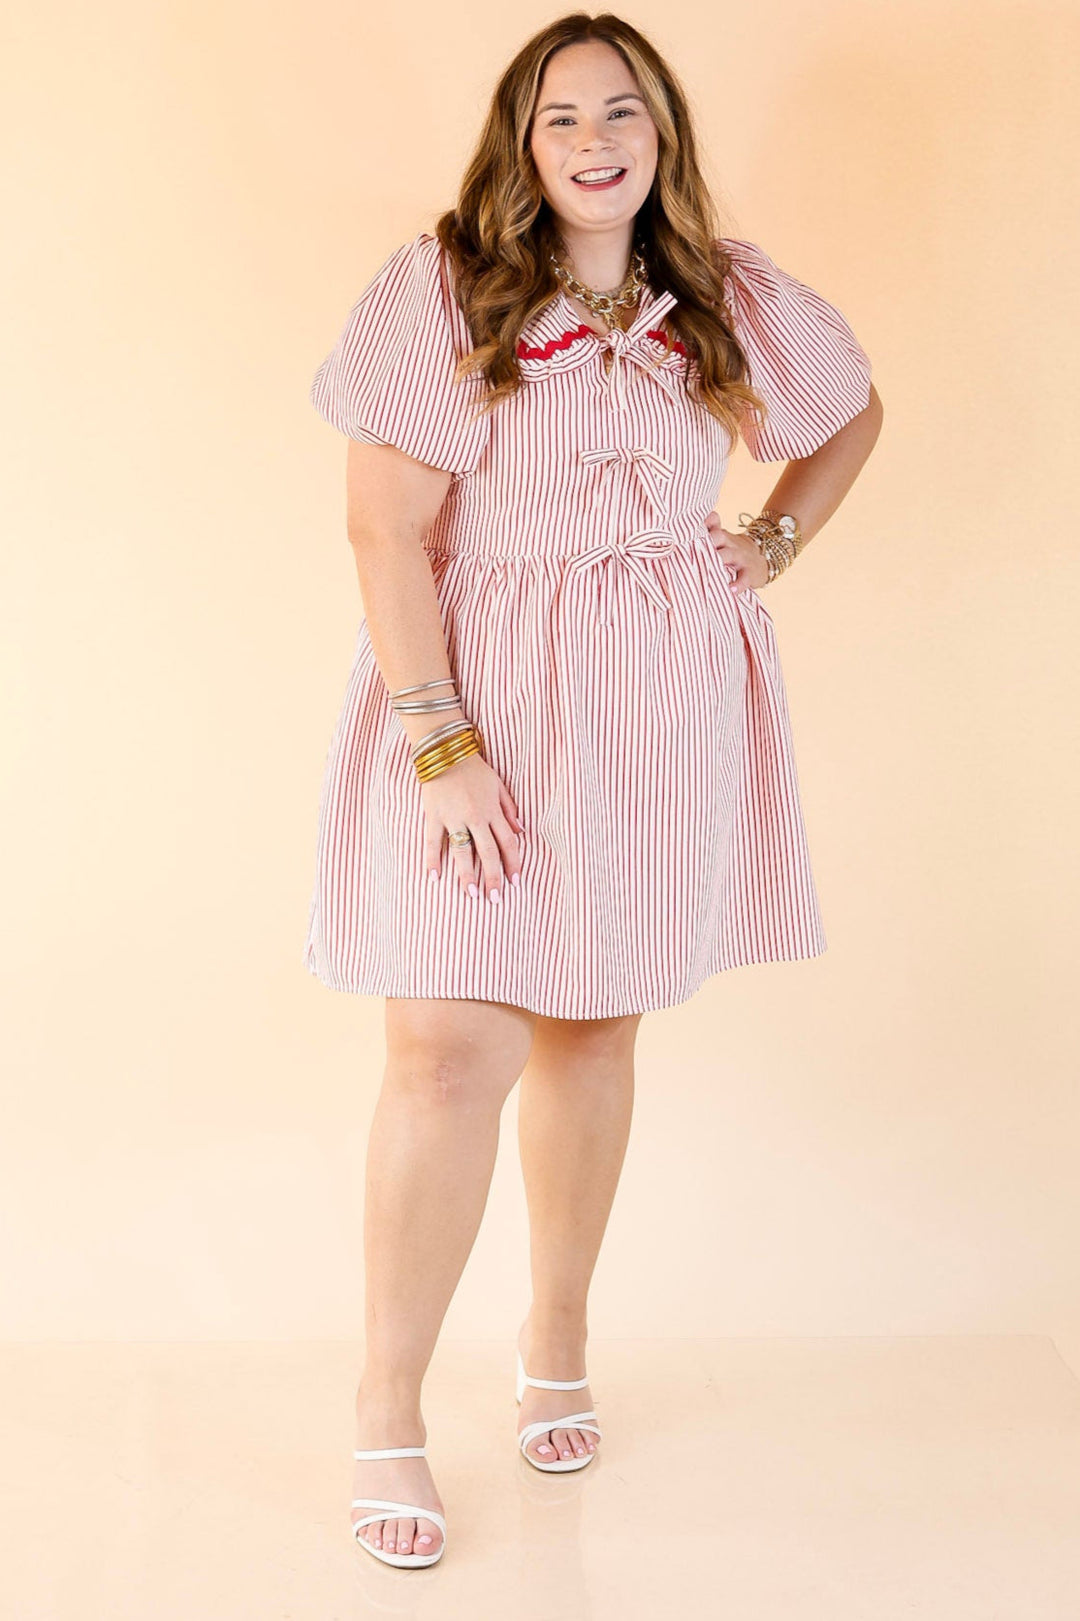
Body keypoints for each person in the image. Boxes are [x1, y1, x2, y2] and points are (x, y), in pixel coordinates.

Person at [303, 12, 882, 1570]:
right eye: (562, 118)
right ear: (523, 141)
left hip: (653, 694)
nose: (595, 140)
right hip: (481, 685)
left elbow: (848, 415)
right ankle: (386, 1406)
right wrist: (440, 741)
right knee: (441, 1050)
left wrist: (766, 545)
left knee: (594, 1017)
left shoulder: (722, 291)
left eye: (623, 112)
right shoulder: (439, 288)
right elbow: (380, 533)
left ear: (662, 134)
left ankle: (556, 1334)